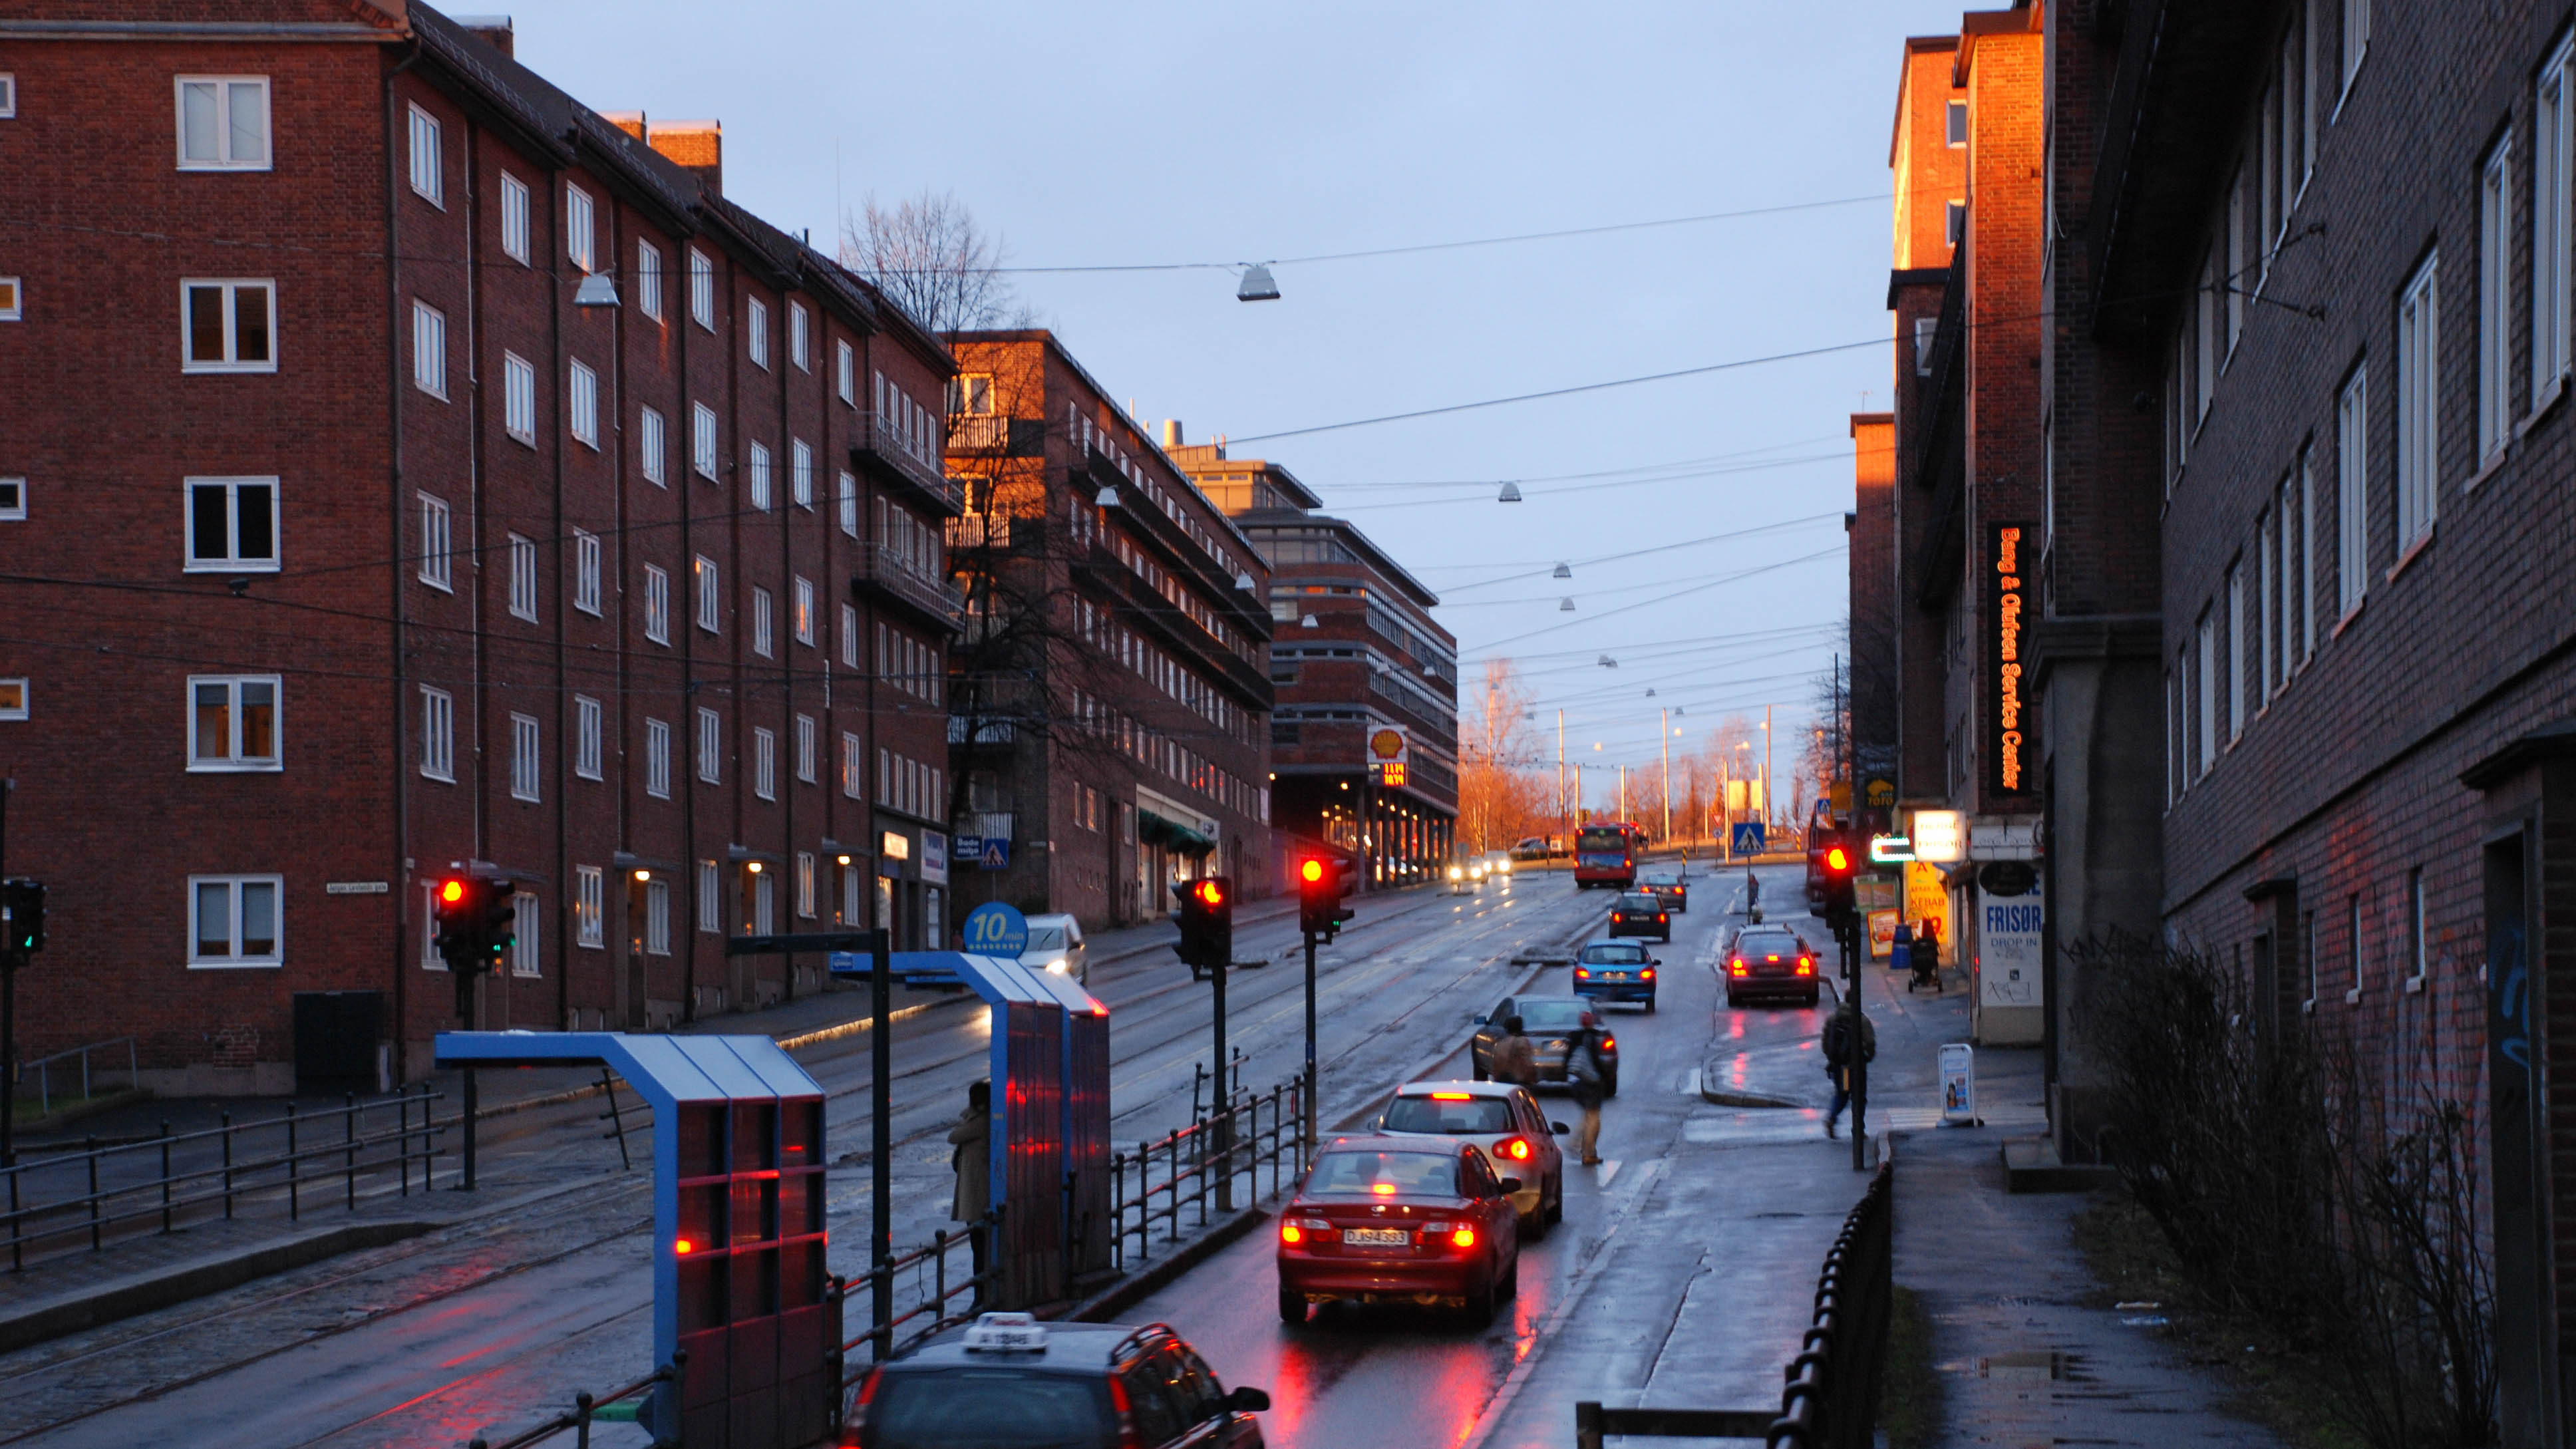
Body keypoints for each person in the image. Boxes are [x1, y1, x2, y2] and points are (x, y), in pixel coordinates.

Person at [949, 1080, 992, 1302]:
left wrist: (970, 1114)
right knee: (979, 1247)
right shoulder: (983, 1120)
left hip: (977, 1195)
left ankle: (981, 1295)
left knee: (980, 1248)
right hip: (978, 1193)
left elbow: (953, 1137)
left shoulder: (980, 1122)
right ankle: (981, 1294)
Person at [1822, 1000, 1877, 1140]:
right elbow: (1870, 1042)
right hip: (1854, 1066)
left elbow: (1825, 1041)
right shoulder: (1861, 1019)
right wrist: (1868, 1057)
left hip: (1838, 1065)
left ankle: (1832, 1118)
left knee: (1842, 1093)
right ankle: (1857, 1129)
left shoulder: (1833, 1018)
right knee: (1858, 1097)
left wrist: (1831, 1057)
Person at [1565, 1011, 1610, 1166]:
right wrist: (1605, 1077)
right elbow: (1596, 1062)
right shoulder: (1590, 1038)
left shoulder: (1574, 1037)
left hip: (1575, 1082)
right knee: (1594, 1119)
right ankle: (1585, 1151)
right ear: (1591, 1023)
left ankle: (1581, 1147)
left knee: (1588, 1116)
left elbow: (1567, 1059)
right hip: (1589, 1083)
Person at [1491, 1015, 1538, 1087]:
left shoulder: (1500, 1044)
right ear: (1520, 1027)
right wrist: (1533, 1078)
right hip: (1519, 1082)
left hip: (1502, 1082)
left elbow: (1495, 1065)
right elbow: (1527, 1063)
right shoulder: (1522, 1041)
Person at [1916, 919, 1944, 994]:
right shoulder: (1931, 940)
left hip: (1919, 963)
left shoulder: (1919, 942)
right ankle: (1929, 977)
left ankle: (1923, 976)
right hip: (1930, 962)